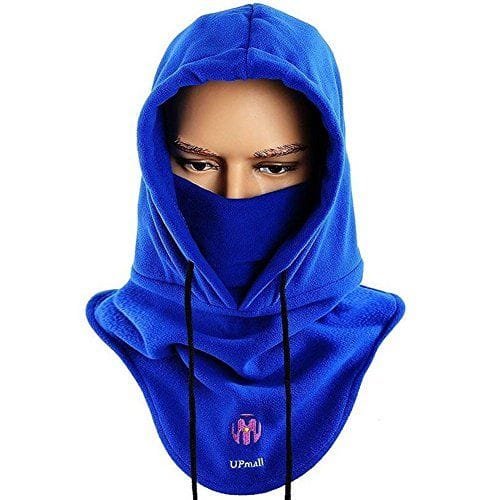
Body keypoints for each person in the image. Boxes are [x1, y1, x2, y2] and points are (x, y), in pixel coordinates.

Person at [86, 4, 405, 499]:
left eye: (275, 168)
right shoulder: (75, 366)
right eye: (198, 164)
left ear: (327, 172)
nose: (233, 197)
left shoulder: (412, 366)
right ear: (156, 162)